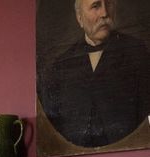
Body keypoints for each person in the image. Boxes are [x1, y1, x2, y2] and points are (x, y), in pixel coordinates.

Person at [39, 0, 150, 147]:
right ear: (80, 18)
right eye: (95, 6)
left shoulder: (136, 51)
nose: (104, 13)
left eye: (108, 4)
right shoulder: (62, 64)